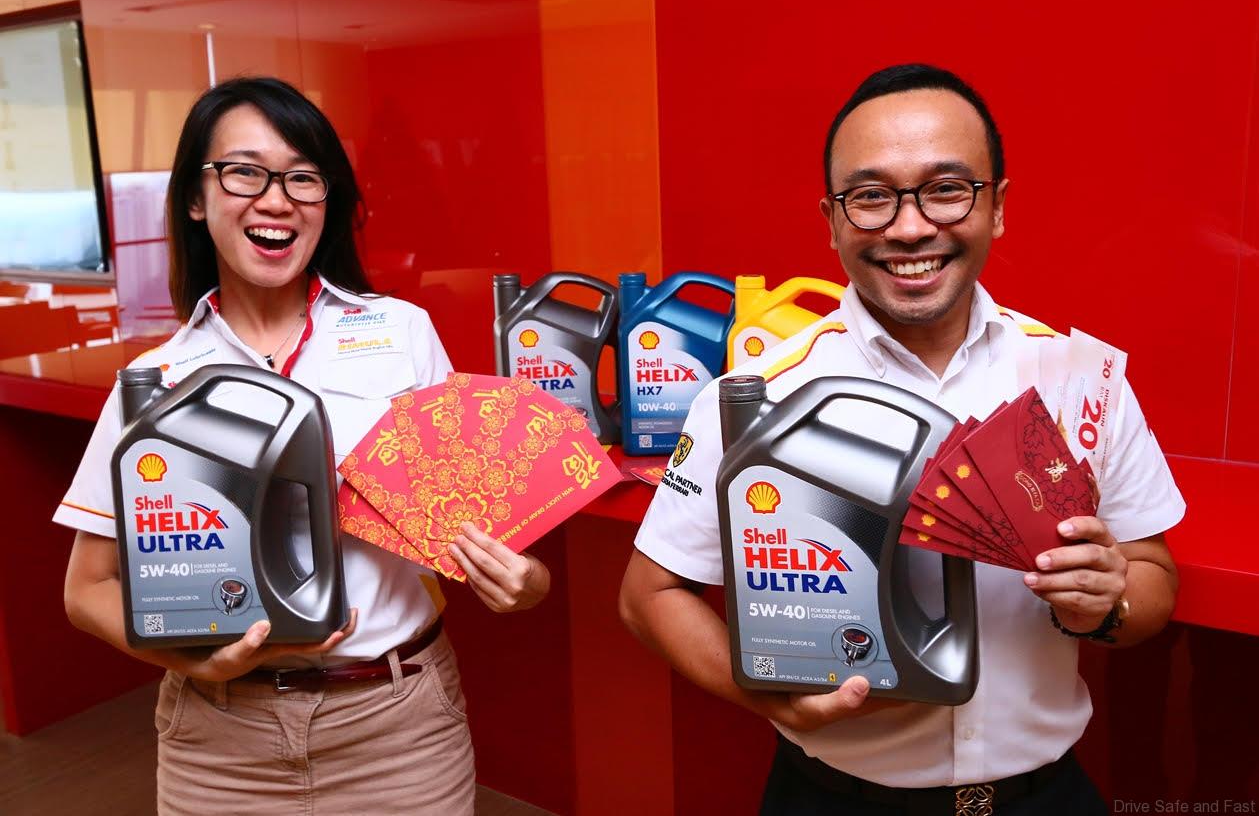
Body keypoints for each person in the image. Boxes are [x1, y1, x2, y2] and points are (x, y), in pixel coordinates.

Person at [619, 64, 1184, 815]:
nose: (910, 227)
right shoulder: (753, 394)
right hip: (832, 799)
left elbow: (1152, 575)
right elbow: (648, 595)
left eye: (946, 189)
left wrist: (1108, 603)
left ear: (998, 206)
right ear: (830, 220)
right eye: (870, 197)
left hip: (1044, 796)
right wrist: (769, 699)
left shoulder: (1077, 381)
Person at [58, 77, 550, 815]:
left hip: (397, 726)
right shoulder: (156, 380)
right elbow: (87, 589)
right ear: (195, 198)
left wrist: (525, 582)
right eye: (244, 172)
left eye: (302, 177)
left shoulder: (400, 333)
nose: (276, 199)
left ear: (328, 200)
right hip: (219, 741)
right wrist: (195, 659)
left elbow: (486, 534)